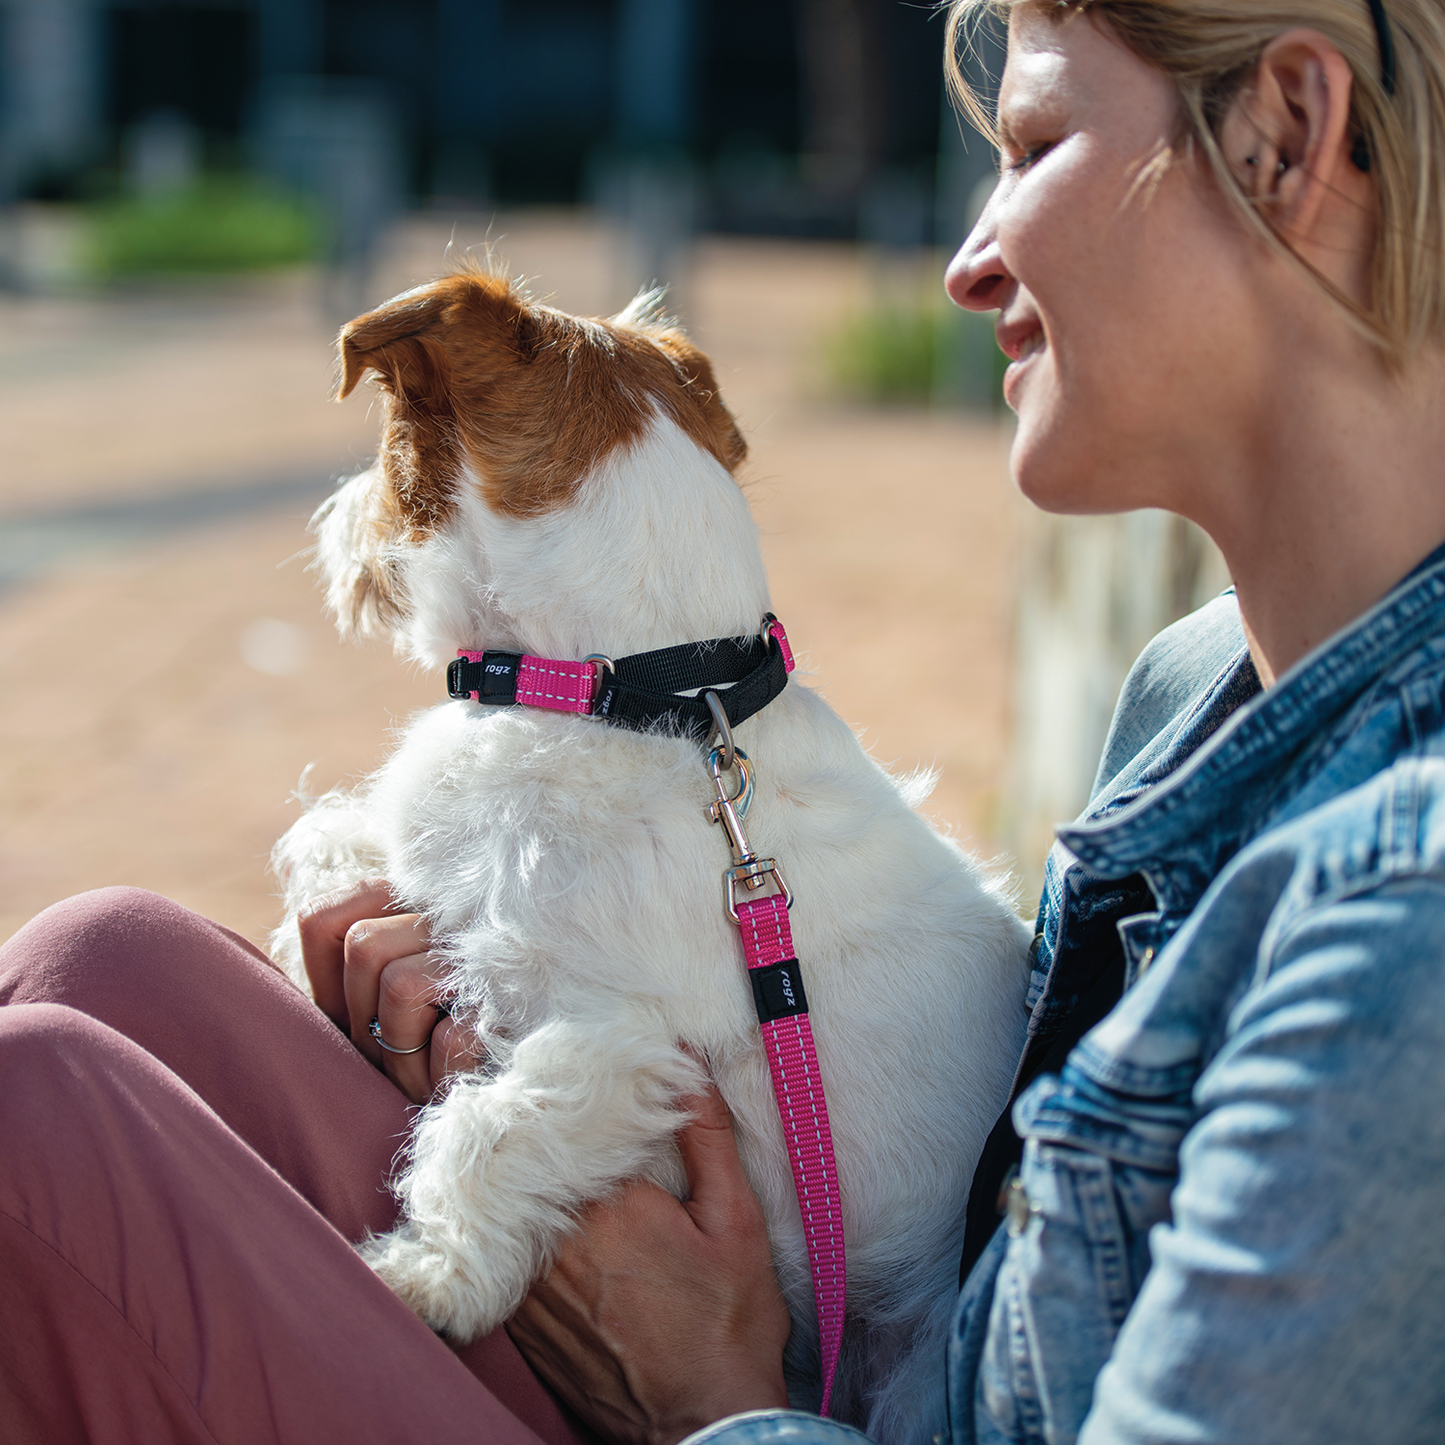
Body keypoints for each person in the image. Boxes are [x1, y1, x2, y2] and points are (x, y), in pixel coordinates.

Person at [5, 1, 1445, 1442]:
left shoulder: (1400, 927)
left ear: (1288, 135)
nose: (968, 262)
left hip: (744, 1409)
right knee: (106, 959)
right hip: (837, 1365)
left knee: (37, 1113)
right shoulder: (1200, 688)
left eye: (1036, 147)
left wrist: (706, 1392)